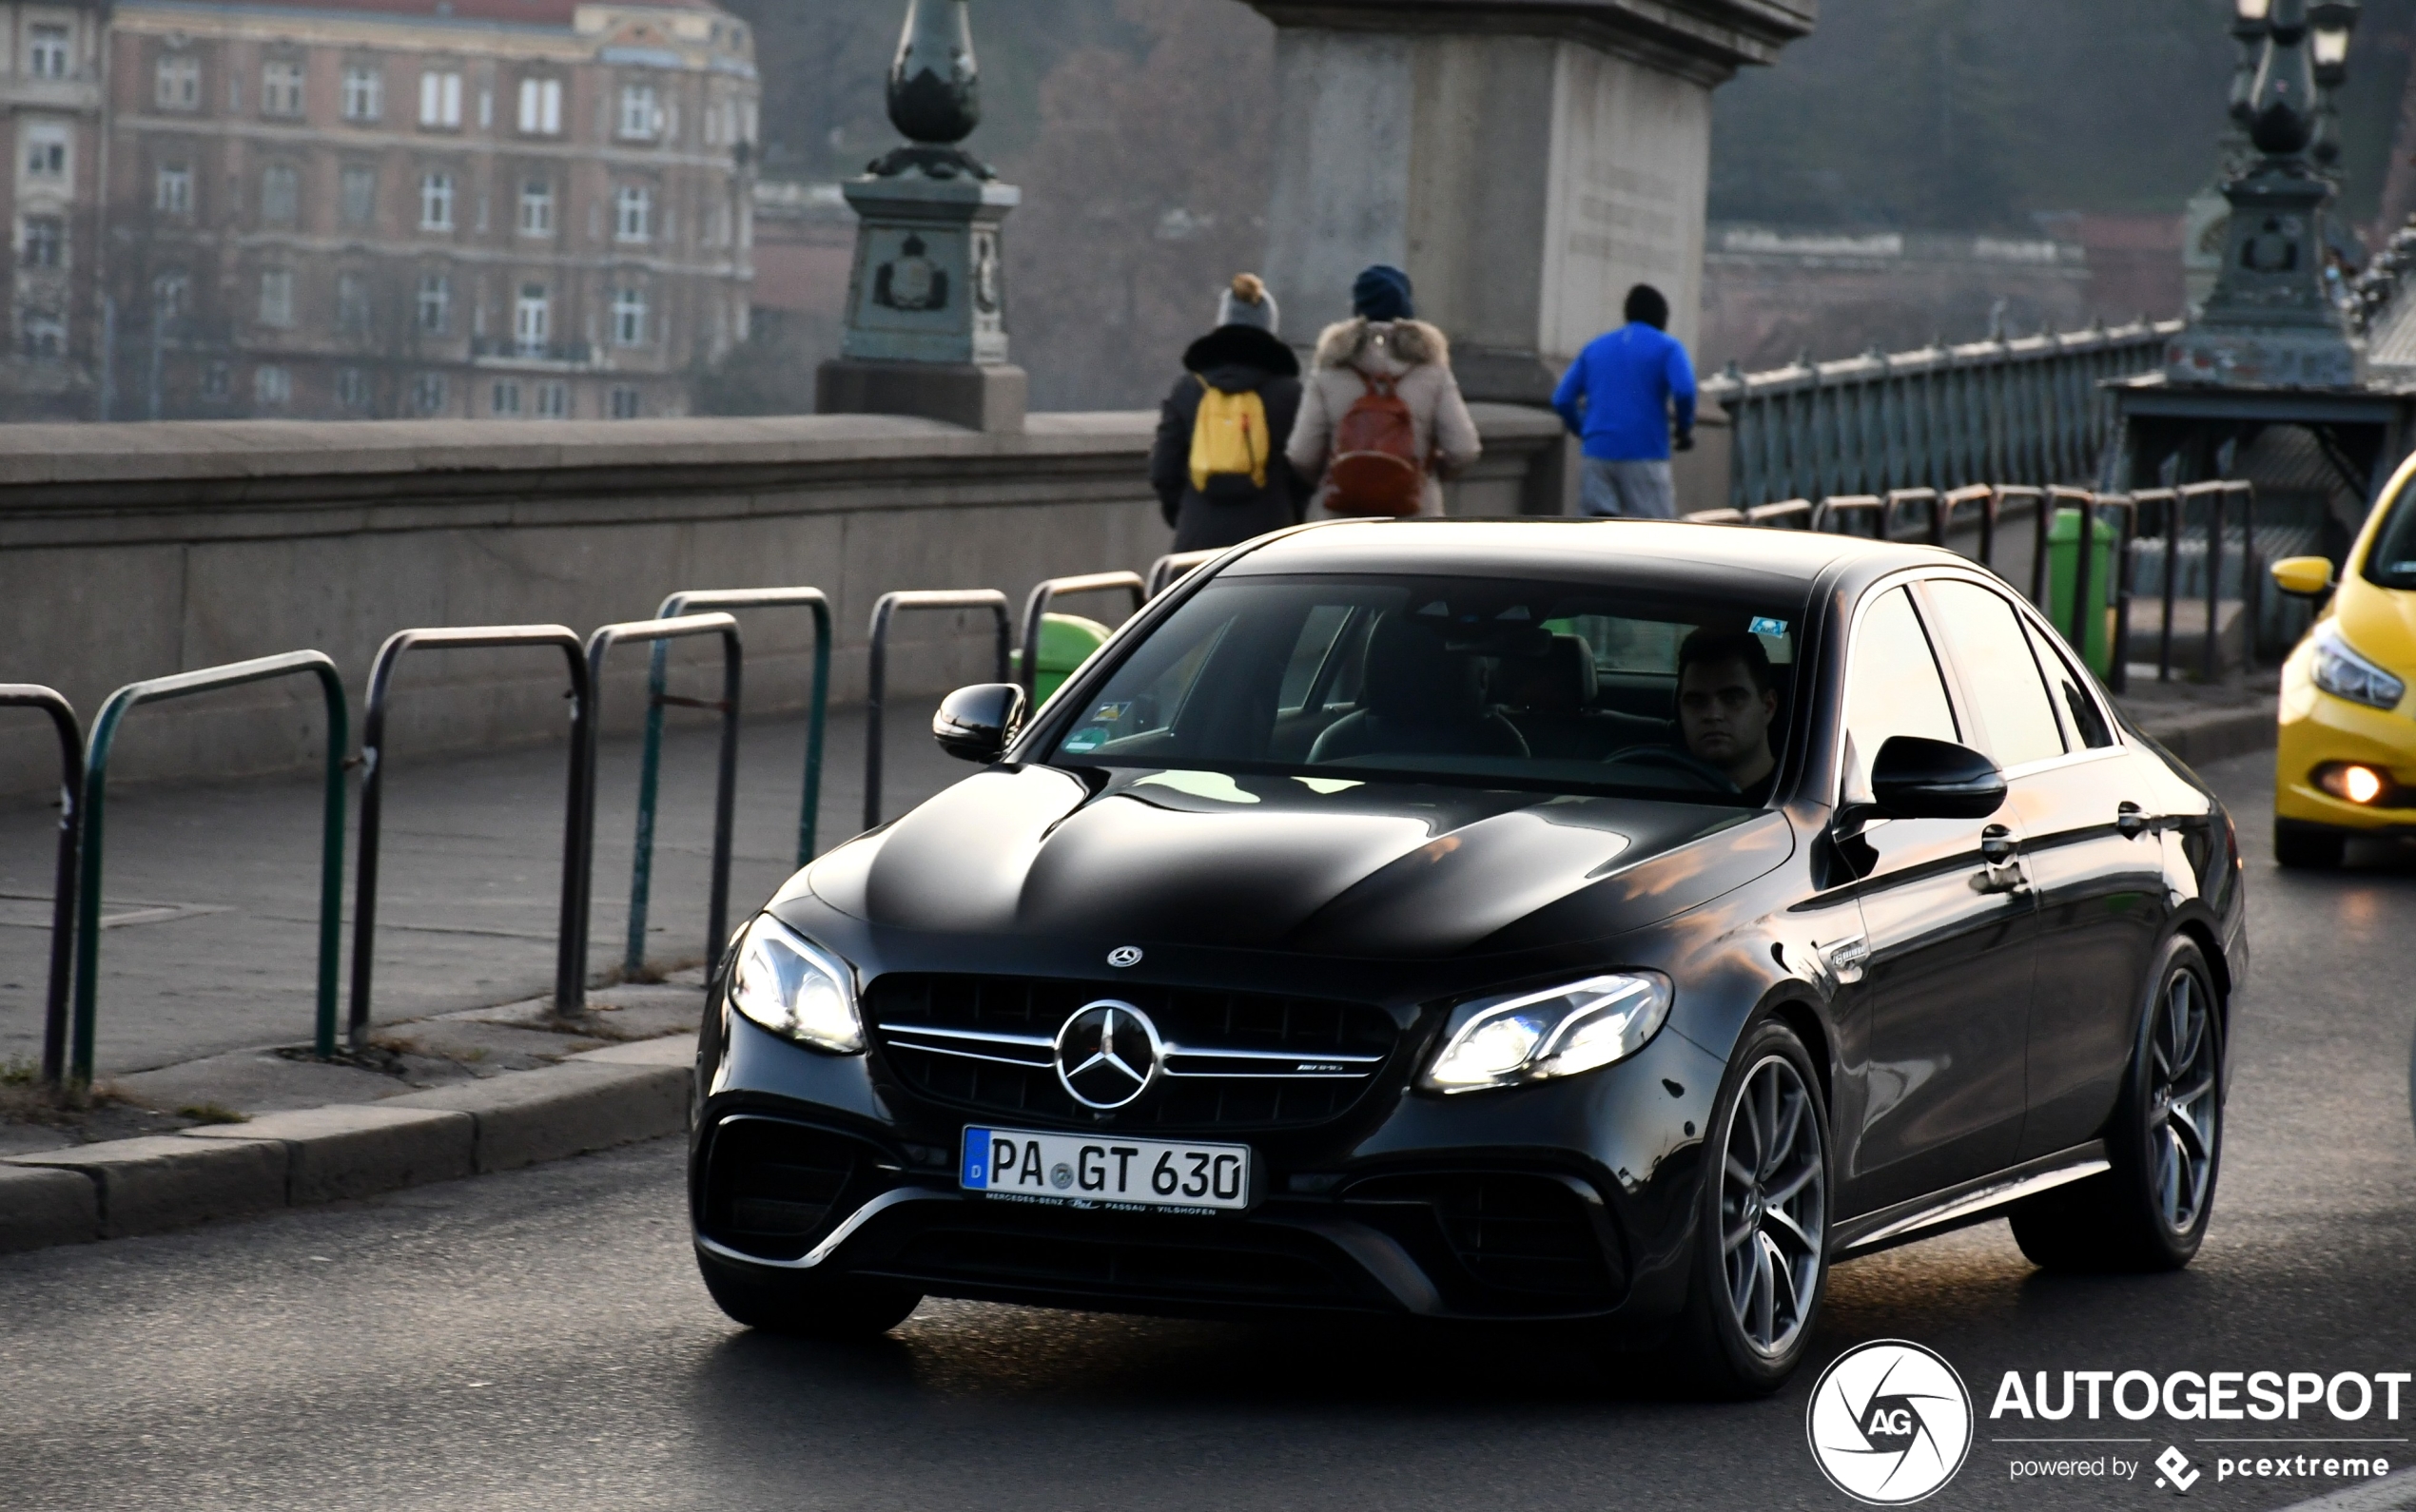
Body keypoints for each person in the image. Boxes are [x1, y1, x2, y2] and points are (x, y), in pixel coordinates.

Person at [1287, 264, 1480, 518]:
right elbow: (1464, 449)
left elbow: (1302, 454)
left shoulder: (1330, 367)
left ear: (1357, 308)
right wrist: (1422, 475)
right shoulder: (1431, 368)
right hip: (1413, 520)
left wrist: (1342, 477)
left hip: (1339, 523)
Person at [1148, 274, 1308, 552]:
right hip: (1270, 544)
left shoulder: (1189, 390)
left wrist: (1187, 513)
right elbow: (1305, 471)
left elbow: (1163, 470)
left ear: (1220, 326)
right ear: (1270, 330)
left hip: (1196, 545)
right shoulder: (1290, 394)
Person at [1552, 283, 1699, 519]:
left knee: (1596, 534)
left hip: (1597, 456)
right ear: (1662, 318)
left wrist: (1584, 430)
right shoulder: (1668, 347)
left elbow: (1562, 399)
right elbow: (1684, 391)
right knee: (1655, 535)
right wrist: (1684, 427)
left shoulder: (1595, 348)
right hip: (1646, 455)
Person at [1675, 628, 1779, 801]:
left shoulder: (1798, 797)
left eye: (1732, 699)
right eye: (1696, 701)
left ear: (1768, 707)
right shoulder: (1660, 790)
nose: (1713, 715)